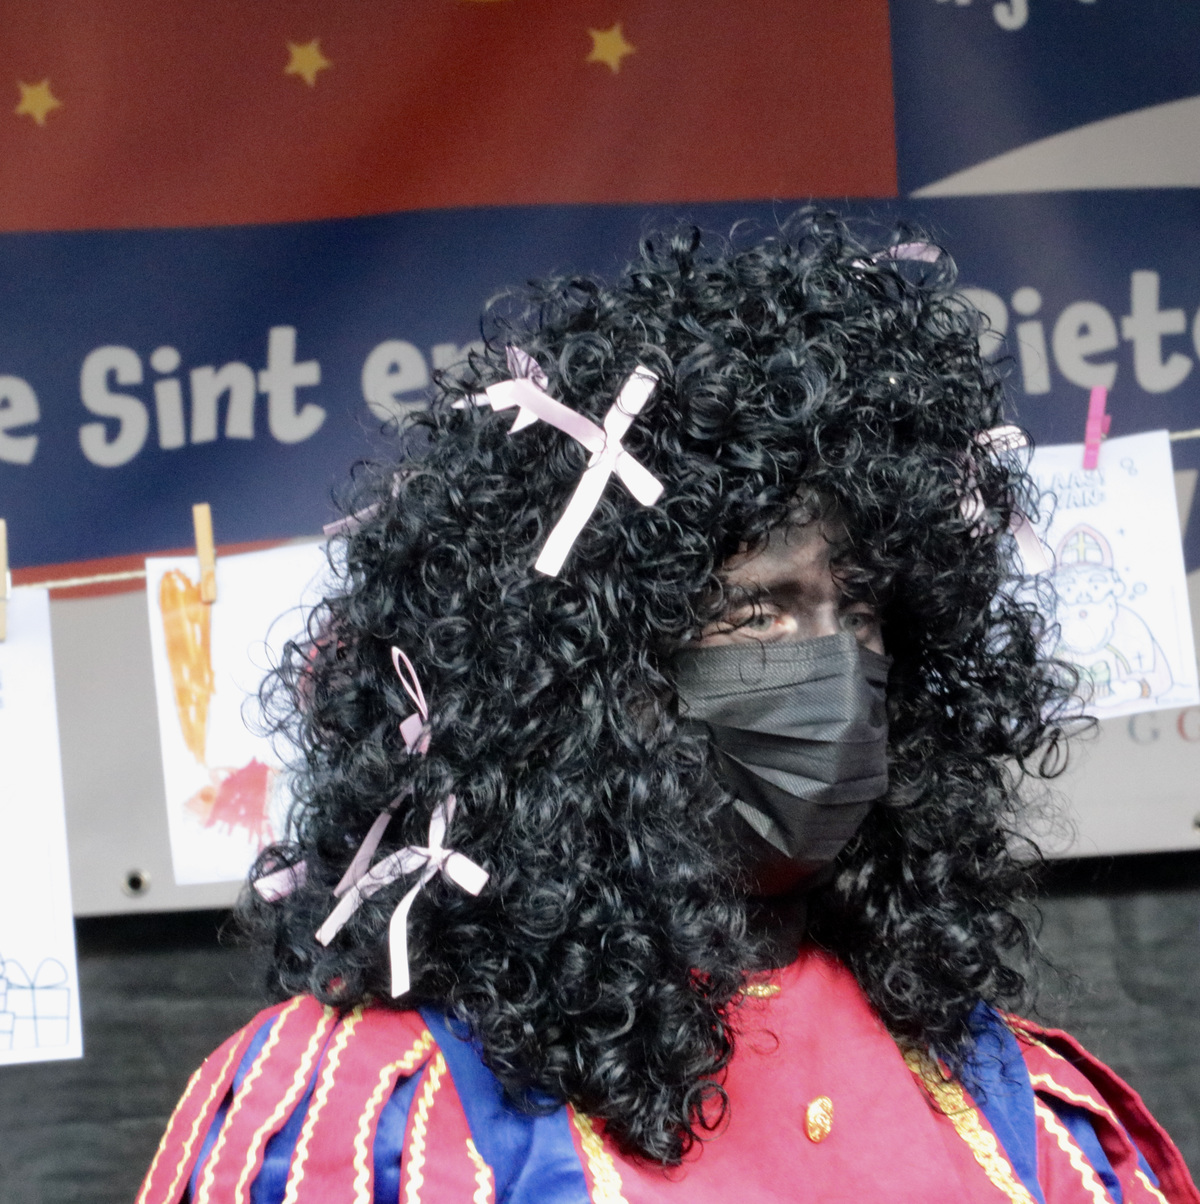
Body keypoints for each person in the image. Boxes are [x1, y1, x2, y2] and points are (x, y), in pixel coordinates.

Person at [138, 212, 1198, 1204]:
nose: (834, 666)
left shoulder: (1010, 1105)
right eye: (756, 613)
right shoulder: (377, 1108)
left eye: (863, 612)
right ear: (594, 676)